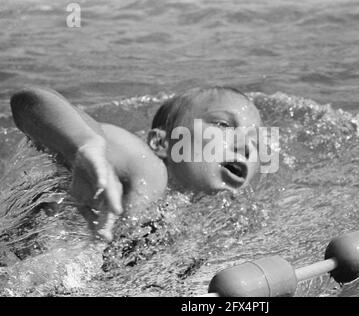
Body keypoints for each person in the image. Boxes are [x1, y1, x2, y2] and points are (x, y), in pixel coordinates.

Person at [9, 86, 262, 241]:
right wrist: (85, 145)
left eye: (257, 141)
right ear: (162, 143)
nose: (246, 146)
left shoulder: (213, 219)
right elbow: (28, 101)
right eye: (223, 125)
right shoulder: (147, 171)